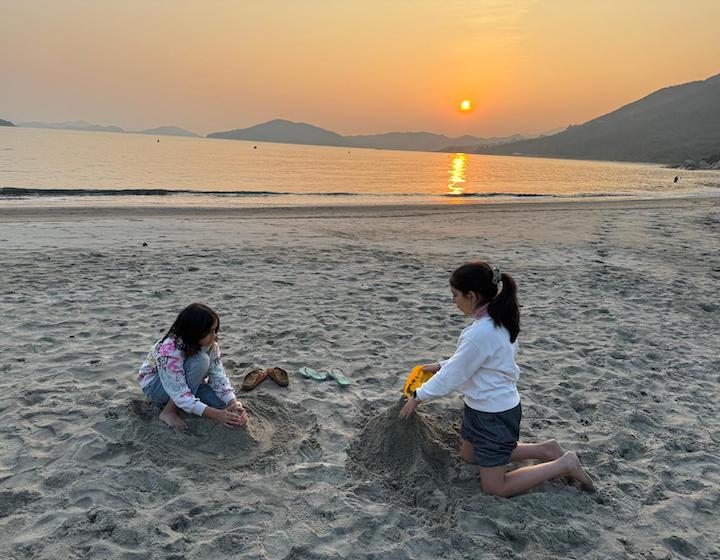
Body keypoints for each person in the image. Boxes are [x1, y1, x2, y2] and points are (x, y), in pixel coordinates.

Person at [400, 262, 594, 497]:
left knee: (494, 487)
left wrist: (418, 396)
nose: (453, 301)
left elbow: (455, 375)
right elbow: (470, 361)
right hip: (480, 408)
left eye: (455, 295)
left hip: (494, 415)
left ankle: (565, 464)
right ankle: (546, 449)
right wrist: (440, 365)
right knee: (469, 456)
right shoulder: (496, 320)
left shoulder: (480, 333)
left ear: (471, 296)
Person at [137, 303, 248, 430]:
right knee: (201, 361)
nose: (214, 336)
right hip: (156, 386)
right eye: (209, 331)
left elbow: (218, 376)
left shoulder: (211, 344)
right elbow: (179, 392)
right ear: (195, 331)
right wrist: (217, 415)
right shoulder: (170, 349)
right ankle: (168, 411)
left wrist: (233, 403)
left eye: (215, 330)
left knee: (224, 407)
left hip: (189, 381)